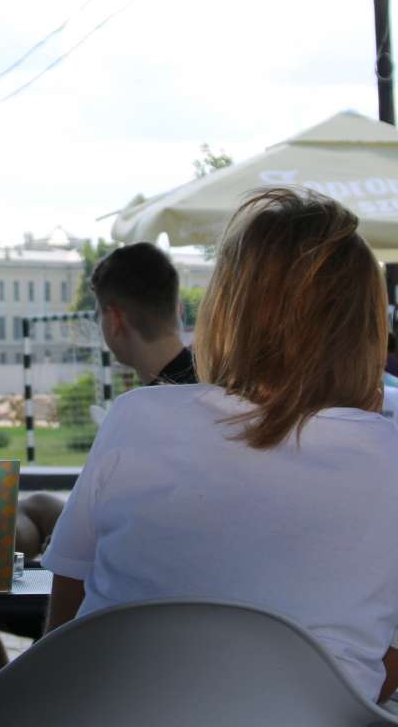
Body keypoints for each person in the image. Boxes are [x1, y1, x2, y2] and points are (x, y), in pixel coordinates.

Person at [42, 188, 398, 704]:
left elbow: (64, 631)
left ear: (227, 309)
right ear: (366, 329)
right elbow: (378, 673)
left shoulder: (135, 418)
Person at [91, 242, 196, 385]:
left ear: (114, 321)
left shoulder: (141, 400)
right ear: (179, 308)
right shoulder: (217, 381)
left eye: (99, 316)